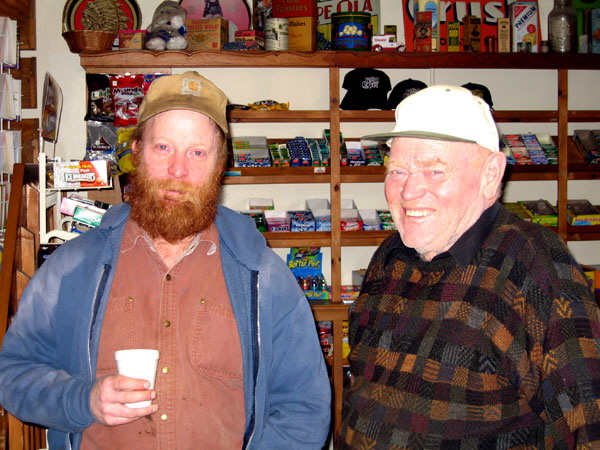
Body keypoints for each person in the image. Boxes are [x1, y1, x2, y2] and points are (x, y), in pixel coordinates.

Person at [0, 71, 331, 449]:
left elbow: (305, 408)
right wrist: (83, 399)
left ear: (219, 165)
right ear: (136, 152)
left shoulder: (264, 278)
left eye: (197, 152)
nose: (178, 171)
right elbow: (13, 374)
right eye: (163, 148)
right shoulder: (72, 267)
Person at [337, 84, 600, 449]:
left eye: (434, 171)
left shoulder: (536, 269)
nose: (408, 191)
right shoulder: (390, 256)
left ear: (491, 174)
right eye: (396, 171)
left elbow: (588, 428)